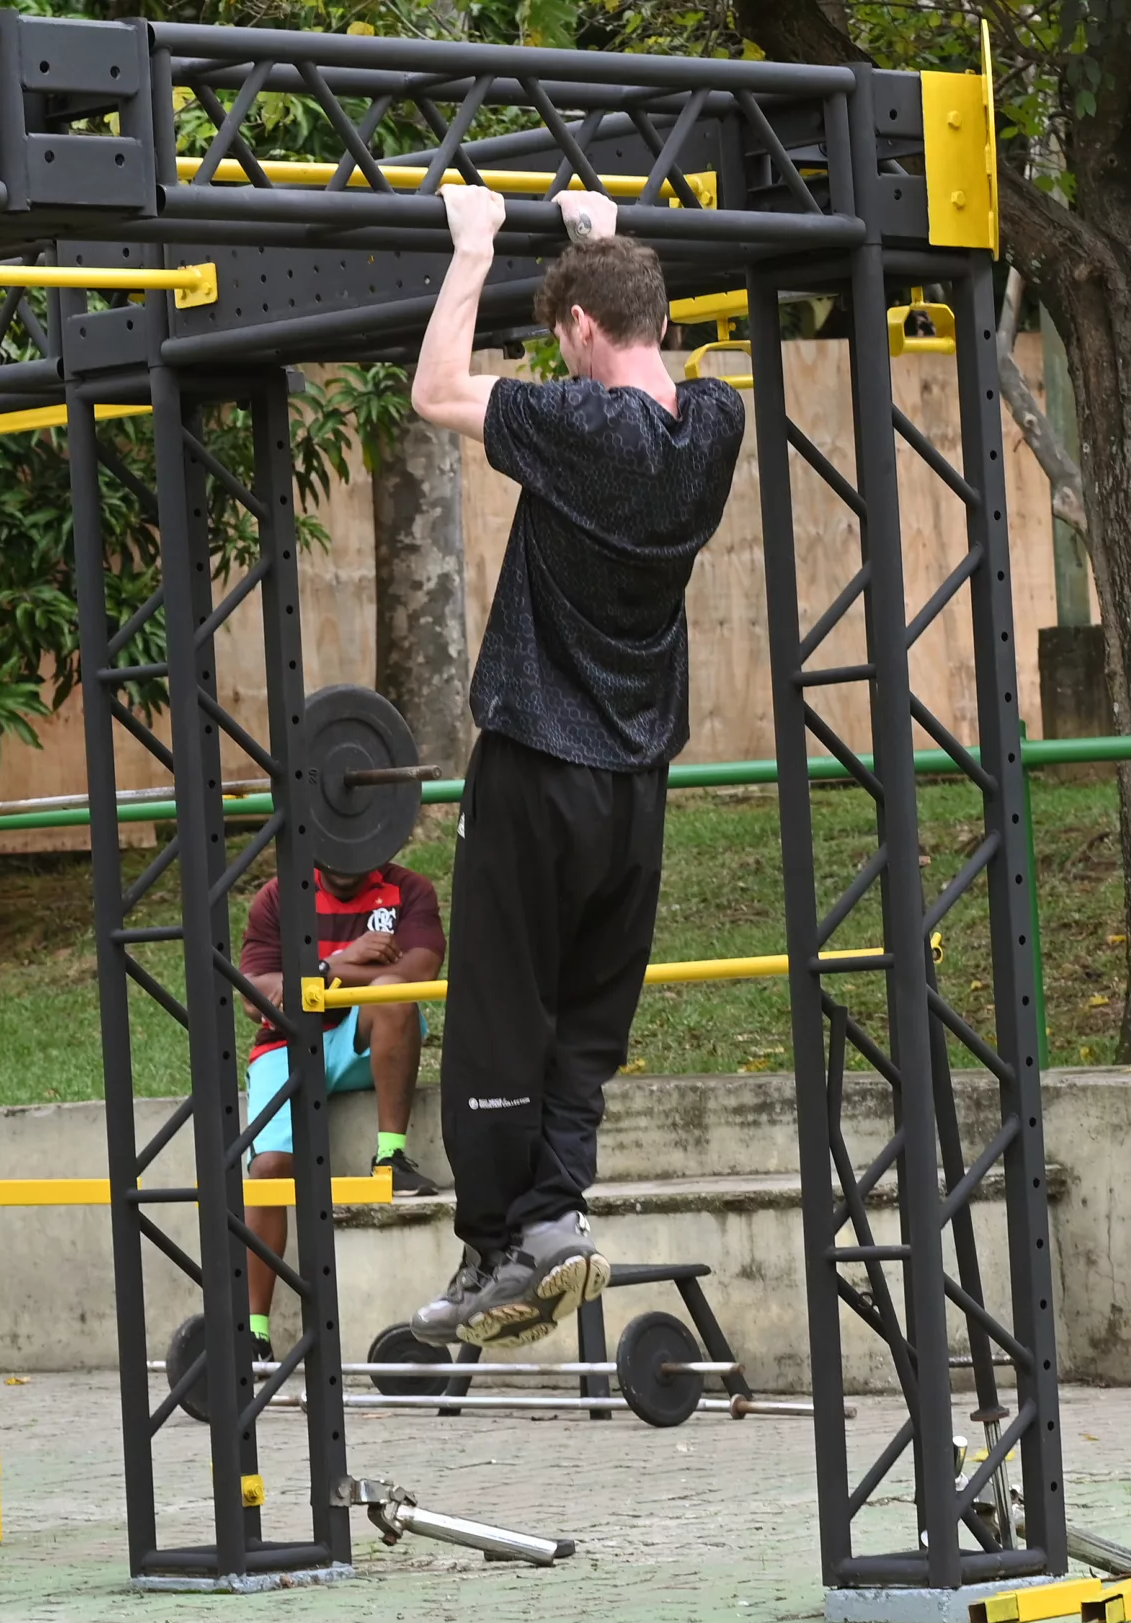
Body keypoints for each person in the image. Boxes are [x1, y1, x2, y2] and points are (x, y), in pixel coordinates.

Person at [401, 185, 745, 1351]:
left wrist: (477, 246)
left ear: (580, 335)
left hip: (540, 764)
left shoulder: (577, 427)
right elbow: (636, 350)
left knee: (501, 1009)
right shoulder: (713, 426)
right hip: (637, 782)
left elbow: (436, 390)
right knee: (586, 1024)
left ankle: (503, 1237)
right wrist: (596, 246)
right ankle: (549, 1218)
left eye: (565, 333)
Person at [236, 857, 444, 1359]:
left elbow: (419, 971)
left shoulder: (408, 889)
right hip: (285, 1044)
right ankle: (252, 1333)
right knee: (267, 1169)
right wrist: (345, 963)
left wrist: (315, 973)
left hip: (360, 1037)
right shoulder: (279, 896)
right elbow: (254, 994)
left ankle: (390, 1155)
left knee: (393, 992)